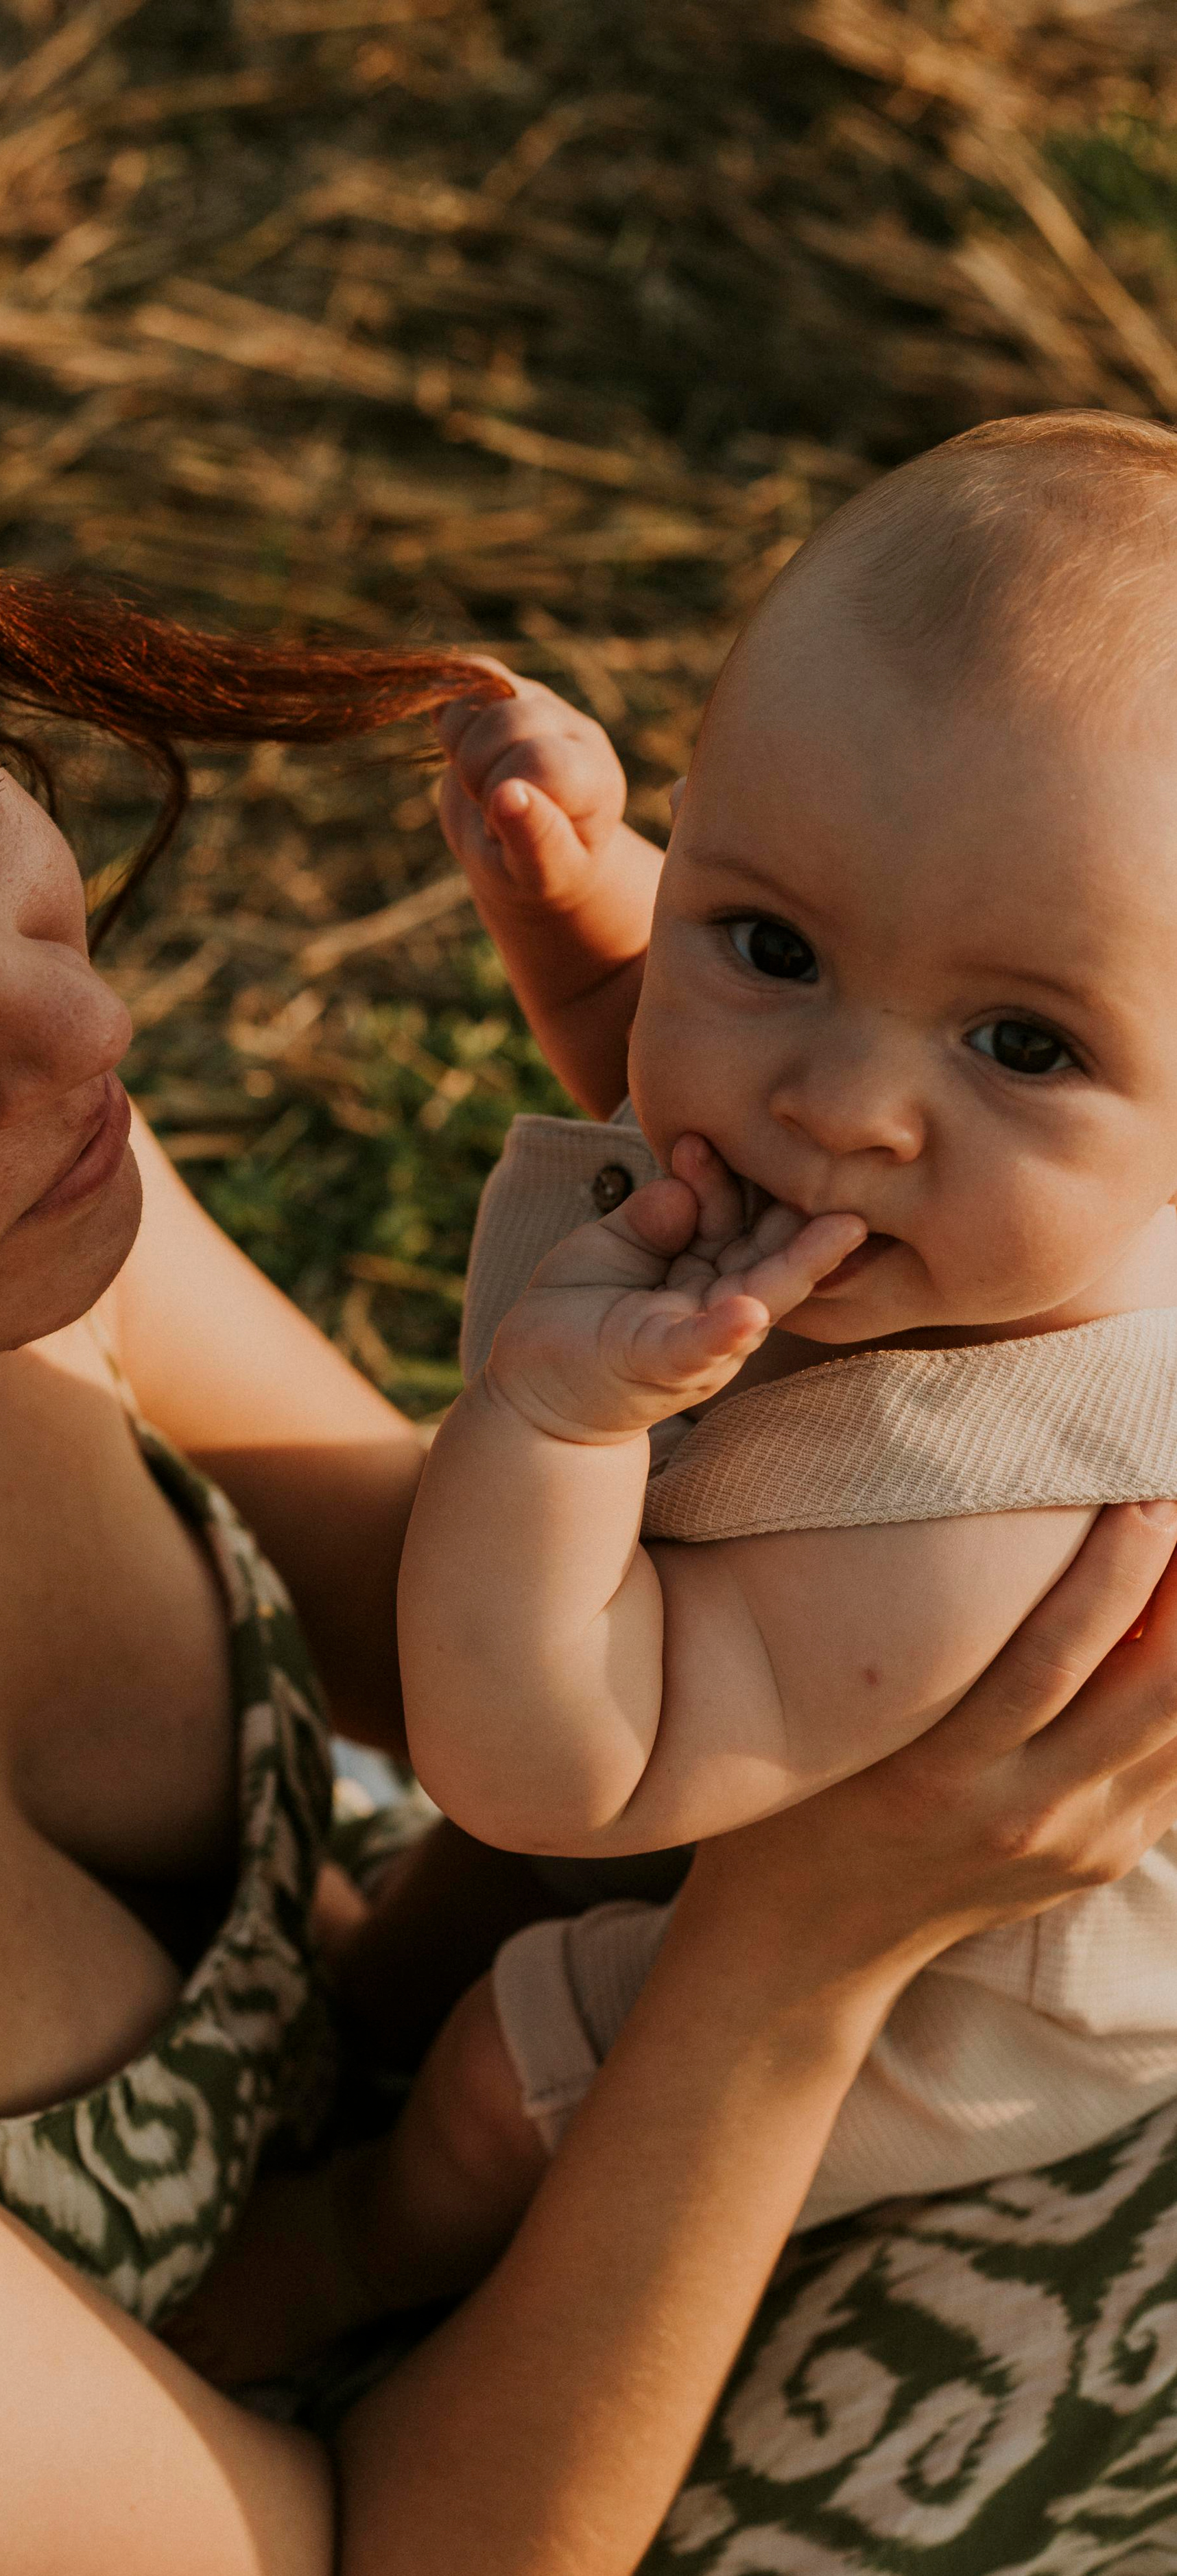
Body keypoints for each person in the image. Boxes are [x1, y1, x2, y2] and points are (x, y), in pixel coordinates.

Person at [0, 358, 1177, 2576]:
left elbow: (443, 1596)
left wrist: (749, 1188)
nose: (81, 1034)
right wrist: (801, 1940)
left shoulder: (4, 1244)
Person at [171, 410, 1177, 2395]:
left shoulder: (994, 1517)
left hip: (963, 1934)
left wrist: (556, 1437)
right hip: (765, 1697)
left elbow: (566, 1764)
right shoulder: (942, 1184)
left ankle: (332, 2271)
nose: (838, 1105)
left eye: (1018, 1041)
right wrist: (583, 916)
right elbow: (688, 1082)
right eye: (772, 937)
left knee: (517, 2064)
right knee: (459, 1916)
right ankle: (339, 2018)